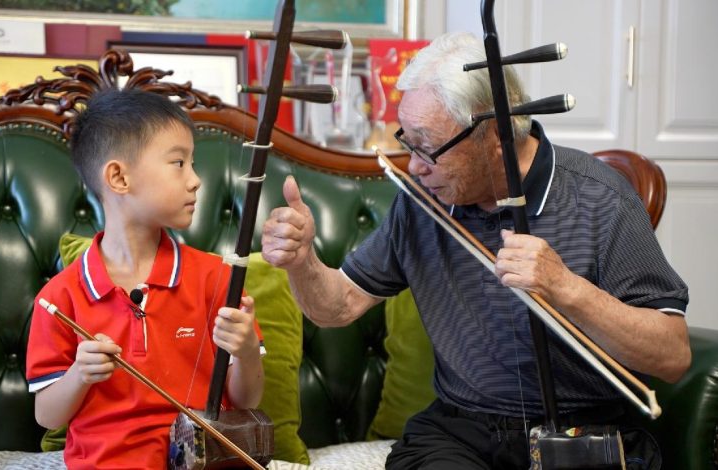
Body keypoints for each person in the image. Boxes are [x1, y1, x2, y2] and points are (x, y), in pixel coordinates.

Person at [261, 32, 689, 469]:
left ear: (496, 135)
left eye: (427, 147)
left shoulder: (600, 198)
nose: (414, 164)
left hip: (583, 432)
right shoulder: (422, 201)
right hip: (460, 433)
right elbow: (339, 305)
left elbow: (672, 357)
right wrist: (302, 261)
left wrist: (567, 288)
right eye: (407, 141)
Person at [26, 89, 265, 469]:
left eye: (192, 162)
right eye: (178, 163)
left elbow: (247, 401)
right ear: (119, 177)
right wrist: (79, 375)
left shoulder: (215, 277)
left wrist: (247, 349)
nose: (196, 180)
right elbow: (47, 416)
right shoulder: (58, 297)